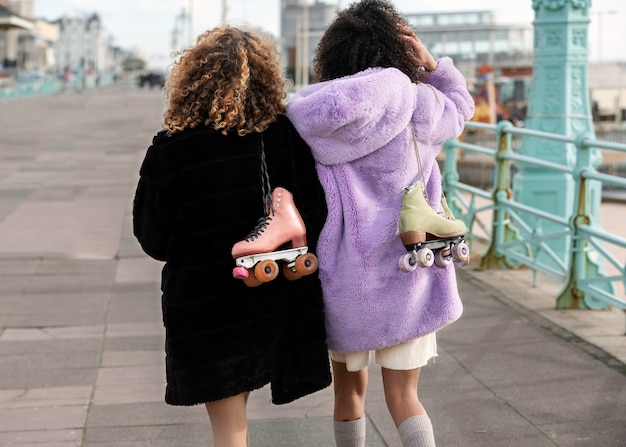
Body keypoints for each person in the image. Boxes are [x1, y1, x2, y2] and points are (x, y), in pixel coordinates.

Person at [286, 1, 475, 446]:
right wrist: (432, 65)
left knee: (348, 395)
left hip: (344, 274)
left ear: (333, 53)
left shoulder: (309, 115)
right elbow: (462, 109)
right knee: (405, 396)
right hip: (407, 264)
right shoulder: (419, 103)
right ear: (397, 47)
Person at [132, 26, 331, 447]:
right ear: (266, 77)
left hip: (207, 308)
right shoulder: (282, 135)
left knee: (229, 430)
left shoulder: (172, 148)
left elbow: (153, 238)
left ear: (191, 79)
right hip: (273, 293)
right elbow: (316, 211)